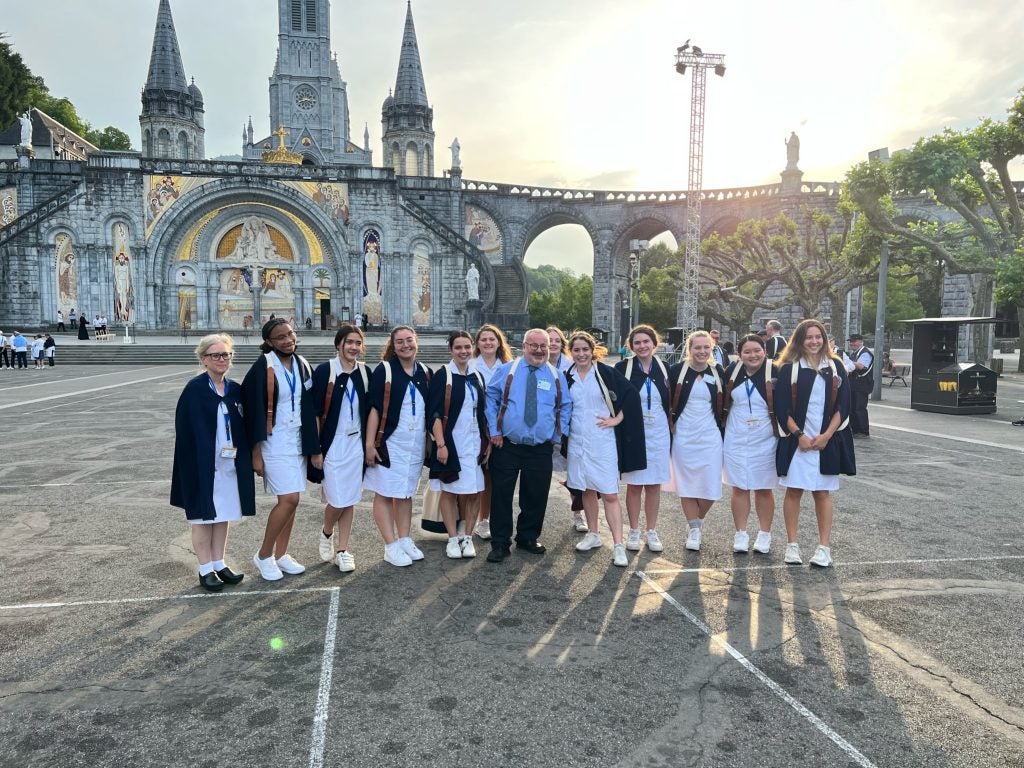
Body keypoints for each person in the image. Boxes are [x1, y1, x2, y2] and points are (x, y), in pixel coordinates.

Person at [170, 334, 255, 591]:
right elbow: (184, 431)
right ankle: (205, 568)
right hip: (202, 466)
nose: (222, 360)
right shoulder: (195, 389)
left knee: (223, 515)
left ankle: (220, 563)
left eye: (226, 355)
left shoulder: (235, 390)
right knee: (202, 518)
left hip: (229, 465)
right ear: (204, 359)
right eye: (216, 355)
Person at [242, 318, 323, 581]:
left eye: (290, 334)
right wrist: (255, 453)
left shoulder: (302, 364)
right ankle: (264, 555)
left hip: (297, 439)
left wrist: (314, 445)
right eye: (281, 337)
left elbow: (309, 405)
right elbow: (252, 412)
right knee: (289, 499)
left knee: (292, 502)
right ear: (268, 342)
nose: (288, 340)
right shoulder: (262, 367)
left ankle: (281, 554)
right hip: (273, 442)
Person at [484, 328, 572, 563]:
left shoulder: (555, 375)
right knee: (501, 495)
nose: (539, 350)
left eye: (543, 346)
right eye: (533, 345)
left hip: (540, 447)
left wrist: (557, 434)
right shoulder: (506, 370)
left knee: (535, 495)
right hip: (508, 445)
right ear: (523, 347)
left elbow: (565, 406)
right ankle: (500, 543)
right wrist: (494, 430)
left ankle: (527, 537)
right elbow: (490, 399)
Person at [775, 318, 856, 568]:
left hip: (825, 442)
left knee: (822, 493)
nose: (813, 341)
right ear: (800, 340)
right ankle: (792, 546)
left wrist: (826, 436)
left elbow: (844, 406)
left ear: (824, 339)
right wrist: (799, 435)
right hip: (797, 441)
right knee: (794, 491)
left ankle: (824, 548)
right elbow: (781, 408)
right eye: (808, 337)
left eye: (818, 336)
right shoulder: (789, 368)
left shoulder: (835, 367)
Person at [565, 331, 644, 568]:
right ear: (571, 352)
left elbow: (631, 394)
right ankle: (593, 534)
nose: (581, 354)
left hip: (602, 440)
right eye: (576, 350)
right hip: (578, 442)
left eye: (585, 350)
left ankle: (618, 545)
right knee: (587, 489)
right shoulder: (566, 376)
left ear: (592, 350)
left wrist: (617, 419)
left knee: (609, 493)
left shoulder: (605, 373)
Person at [364, 325, 432, 567]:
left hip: (413, 445)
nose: (406, 345)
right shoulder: (385, 370)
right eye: (400, 342)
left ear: (417, 342)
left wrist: (427, 444)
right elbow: (374, 409)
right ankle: (390, 545)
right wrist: (369, 444)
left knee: (405, 492)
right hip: (389, 443)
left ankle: (404, 539)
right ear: (393, 346)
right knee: (384, 492)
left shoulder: (424, 372)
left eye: (409, 340)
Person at [310, 325, 370, 574]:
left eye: (357, 343)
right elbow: (314, 412)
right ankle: (326, 532)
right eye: (349, 342)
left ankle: (343, 550)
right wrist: (315, 449)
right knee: (337, 498)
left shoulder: (365, 373)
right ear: (339, 344)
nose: (353, 347)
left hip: (355, 445)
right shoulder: (326, 371)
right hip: (332, 445)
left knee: (351, 498)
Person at [427, 331, 489, 559]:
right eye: (458, 347)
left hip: (474, 443)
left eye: (467, 347)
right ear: (451, 350)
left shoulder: (477, 375)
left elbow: (482, 413)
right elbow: (433, 413)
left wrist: (487, 441)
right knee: (449, 491)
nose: (463, 351)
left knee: (473, 493)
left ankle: (468, 536)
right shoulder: (443, 375)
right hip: (452, 442)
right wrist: (441, 444)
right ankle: (452, 538)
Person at [668, 330, 727, 552]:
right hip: (684, 437)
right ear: (689, 349)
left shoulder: (718, 371)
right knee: (687, 486)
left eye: (706, 347)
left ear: (711, 349)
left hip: (711, 437)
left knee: (710, 486)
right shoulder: (676, 371)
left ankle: (698, 520)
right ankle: (694, 530)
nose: (701, 351)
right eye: (697, 347)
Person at [614, 324, 671, 553]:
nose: (642, 346)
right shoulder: (622, 368)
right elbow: (613, 398)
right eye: (637, 342)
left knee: (654, 485)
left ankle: (652, 530)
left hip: (659, 433)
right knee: (635, 486)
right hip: (634, 433)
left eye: (646, 342)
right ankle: (634, 530)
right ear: (631, 346)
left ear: (654, 344)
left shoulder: (666, 368)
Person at [722, 334, 779, 554]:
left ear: (765, 351)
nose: (752, 355)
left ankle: (764, 534)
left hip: (765, 438)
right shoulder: (731, 372)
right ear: (740, 354)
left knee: (764, 488)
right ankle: (741, 533)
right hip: (736, 437)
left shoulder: (776, 371)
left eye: (757, 350)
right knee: (739, 487)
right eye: (747, 351)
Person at [470, 323, 514, 541]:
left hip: (500, 427)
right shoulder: (470, 364)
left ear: (499, 343)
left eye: (492, 339)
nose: (488, 343)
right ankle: (467, 520)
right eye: (483, 339)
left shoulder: (509, 366)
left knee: (493, 476)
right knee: (473, 475)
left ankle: (485, 519)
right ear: (477, 343)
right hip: (474, 426)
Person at [846, 334, 874, 438]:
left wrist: (847, 361)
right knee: (852, 408)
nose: (851, 343)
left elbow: (861, 366)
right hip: (854, 384)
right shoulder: (855, 353)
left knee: (859, 408)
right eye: (850, 341)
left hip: (862, 385)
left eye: (854, 341)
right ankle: (855, 430)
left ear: (861, 341)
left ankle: (863, 431)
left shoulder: (865, 353)